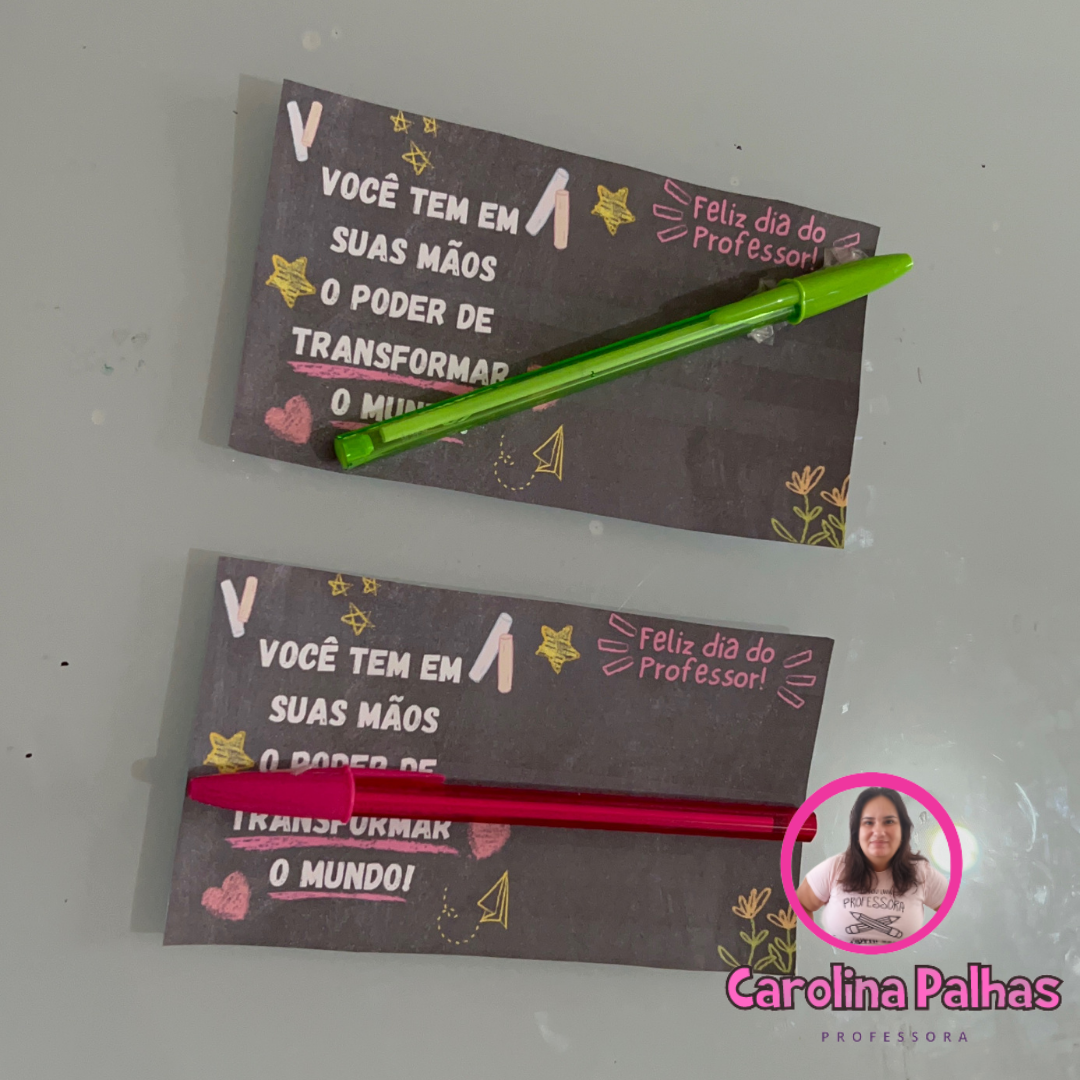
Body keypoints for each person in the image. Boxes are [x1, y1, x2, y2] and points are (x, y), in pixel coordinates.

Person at [796, 787, 949, 945]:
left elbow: (954, 912)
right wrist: (815, 948)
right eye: (868, 822)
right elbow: (800, 905)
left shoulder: (921, 872)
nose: (879, 831)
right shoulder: (835, 867)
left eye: (889, 821)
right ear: (857, 831)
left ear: (902, 829)